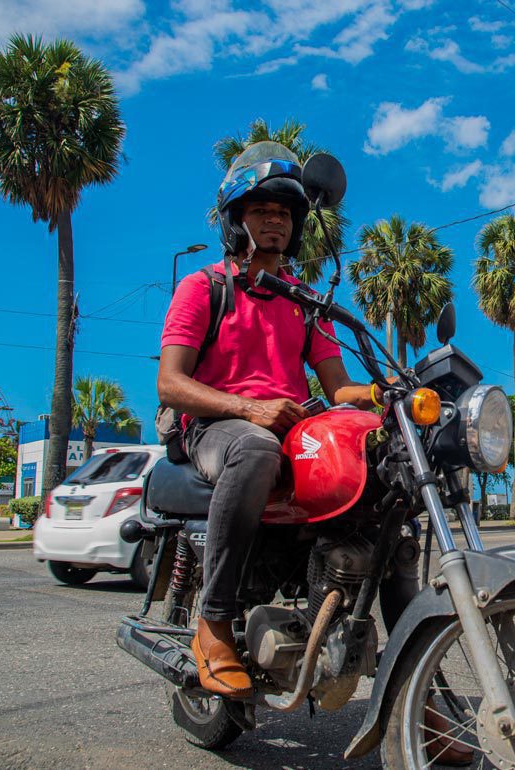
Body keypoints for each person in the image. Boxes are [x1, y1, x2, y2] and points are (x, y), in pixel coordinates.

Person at [157, 142, 377, 699]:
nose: (274, 219)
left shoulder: (303, 302)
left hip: (287, 429)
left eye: (284, 212)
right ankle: (213, 625)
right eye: (261, 210)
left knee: (384, 479)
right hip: (216, 426)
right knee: (255, 447)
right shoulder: (205, 287)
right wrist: (248, 407)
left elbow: (337, 387)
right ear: (237, 220)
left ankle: (417, 681)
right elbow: (170, 384)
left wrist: (386, 393)